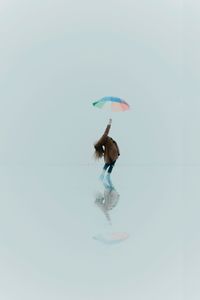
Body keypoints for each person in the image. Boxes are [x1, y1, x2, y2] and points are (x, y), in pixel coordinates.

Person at [94, 118, 120, 187]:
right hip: (112, 151)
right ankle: (107, 176)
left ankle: (103, 175)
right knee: (111, 163)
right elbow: (106, 132)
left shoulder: (100, 143)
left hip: (111, 151)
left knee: (108, 163)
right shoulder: (102, 139)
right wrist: (109, 123)